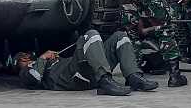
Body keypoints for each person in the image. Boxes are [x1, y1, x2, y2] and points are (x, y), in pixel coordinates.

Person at [15, 30, 159, 95]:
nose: (27, 57)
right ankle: (104, 81)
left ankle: (133, 76)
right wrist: (42, 58)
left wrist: (52, 59)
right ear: (20, 62)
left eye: (27, 56)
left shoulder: (48, 63)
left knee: (119, 36)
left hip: (85, 72)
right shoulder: (25, 72)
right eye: (23, 57)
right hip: (75, 77)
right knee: (90, 35)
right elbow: (34, 79)